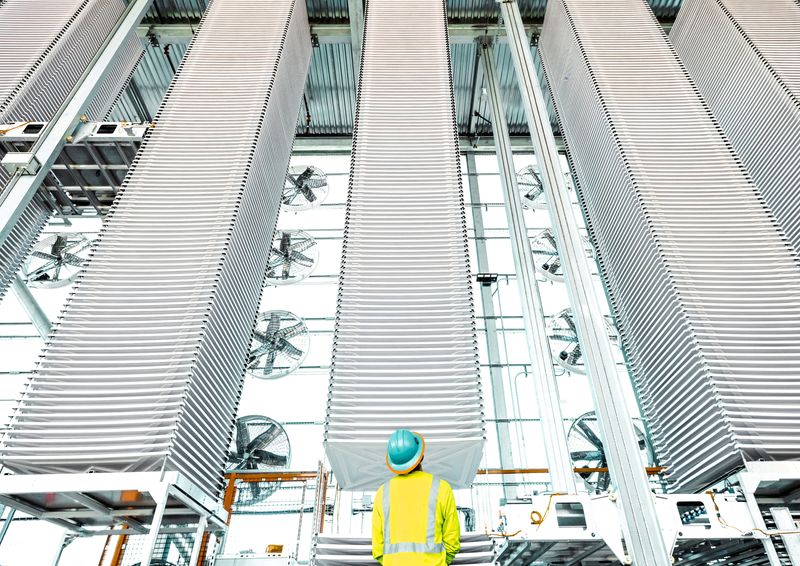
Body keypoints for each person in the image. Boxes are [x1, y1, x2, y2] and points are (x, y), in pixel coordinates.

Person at [372, 429, 460, 565]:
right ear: (421, 457)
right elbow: (452, 540)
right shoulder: (441, 488)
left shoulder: (383, 492)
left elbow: (378, 547)